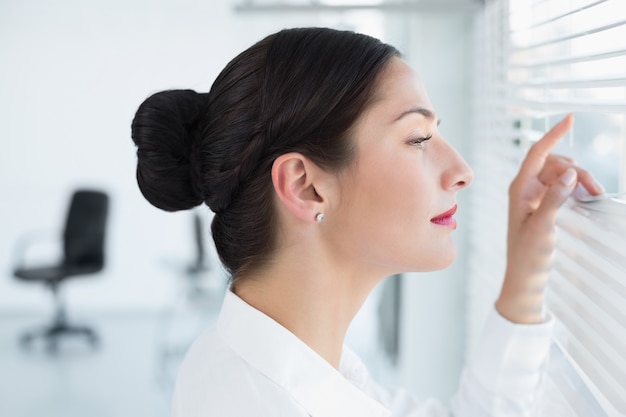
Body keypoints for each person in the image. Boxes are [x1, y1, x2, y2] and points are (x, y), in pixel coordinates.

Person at [131, 27, 604, 417]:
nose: (462, 171)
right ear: (305, 186)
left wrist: (526, 266)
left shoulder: (255, 359)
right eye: (418, 138)